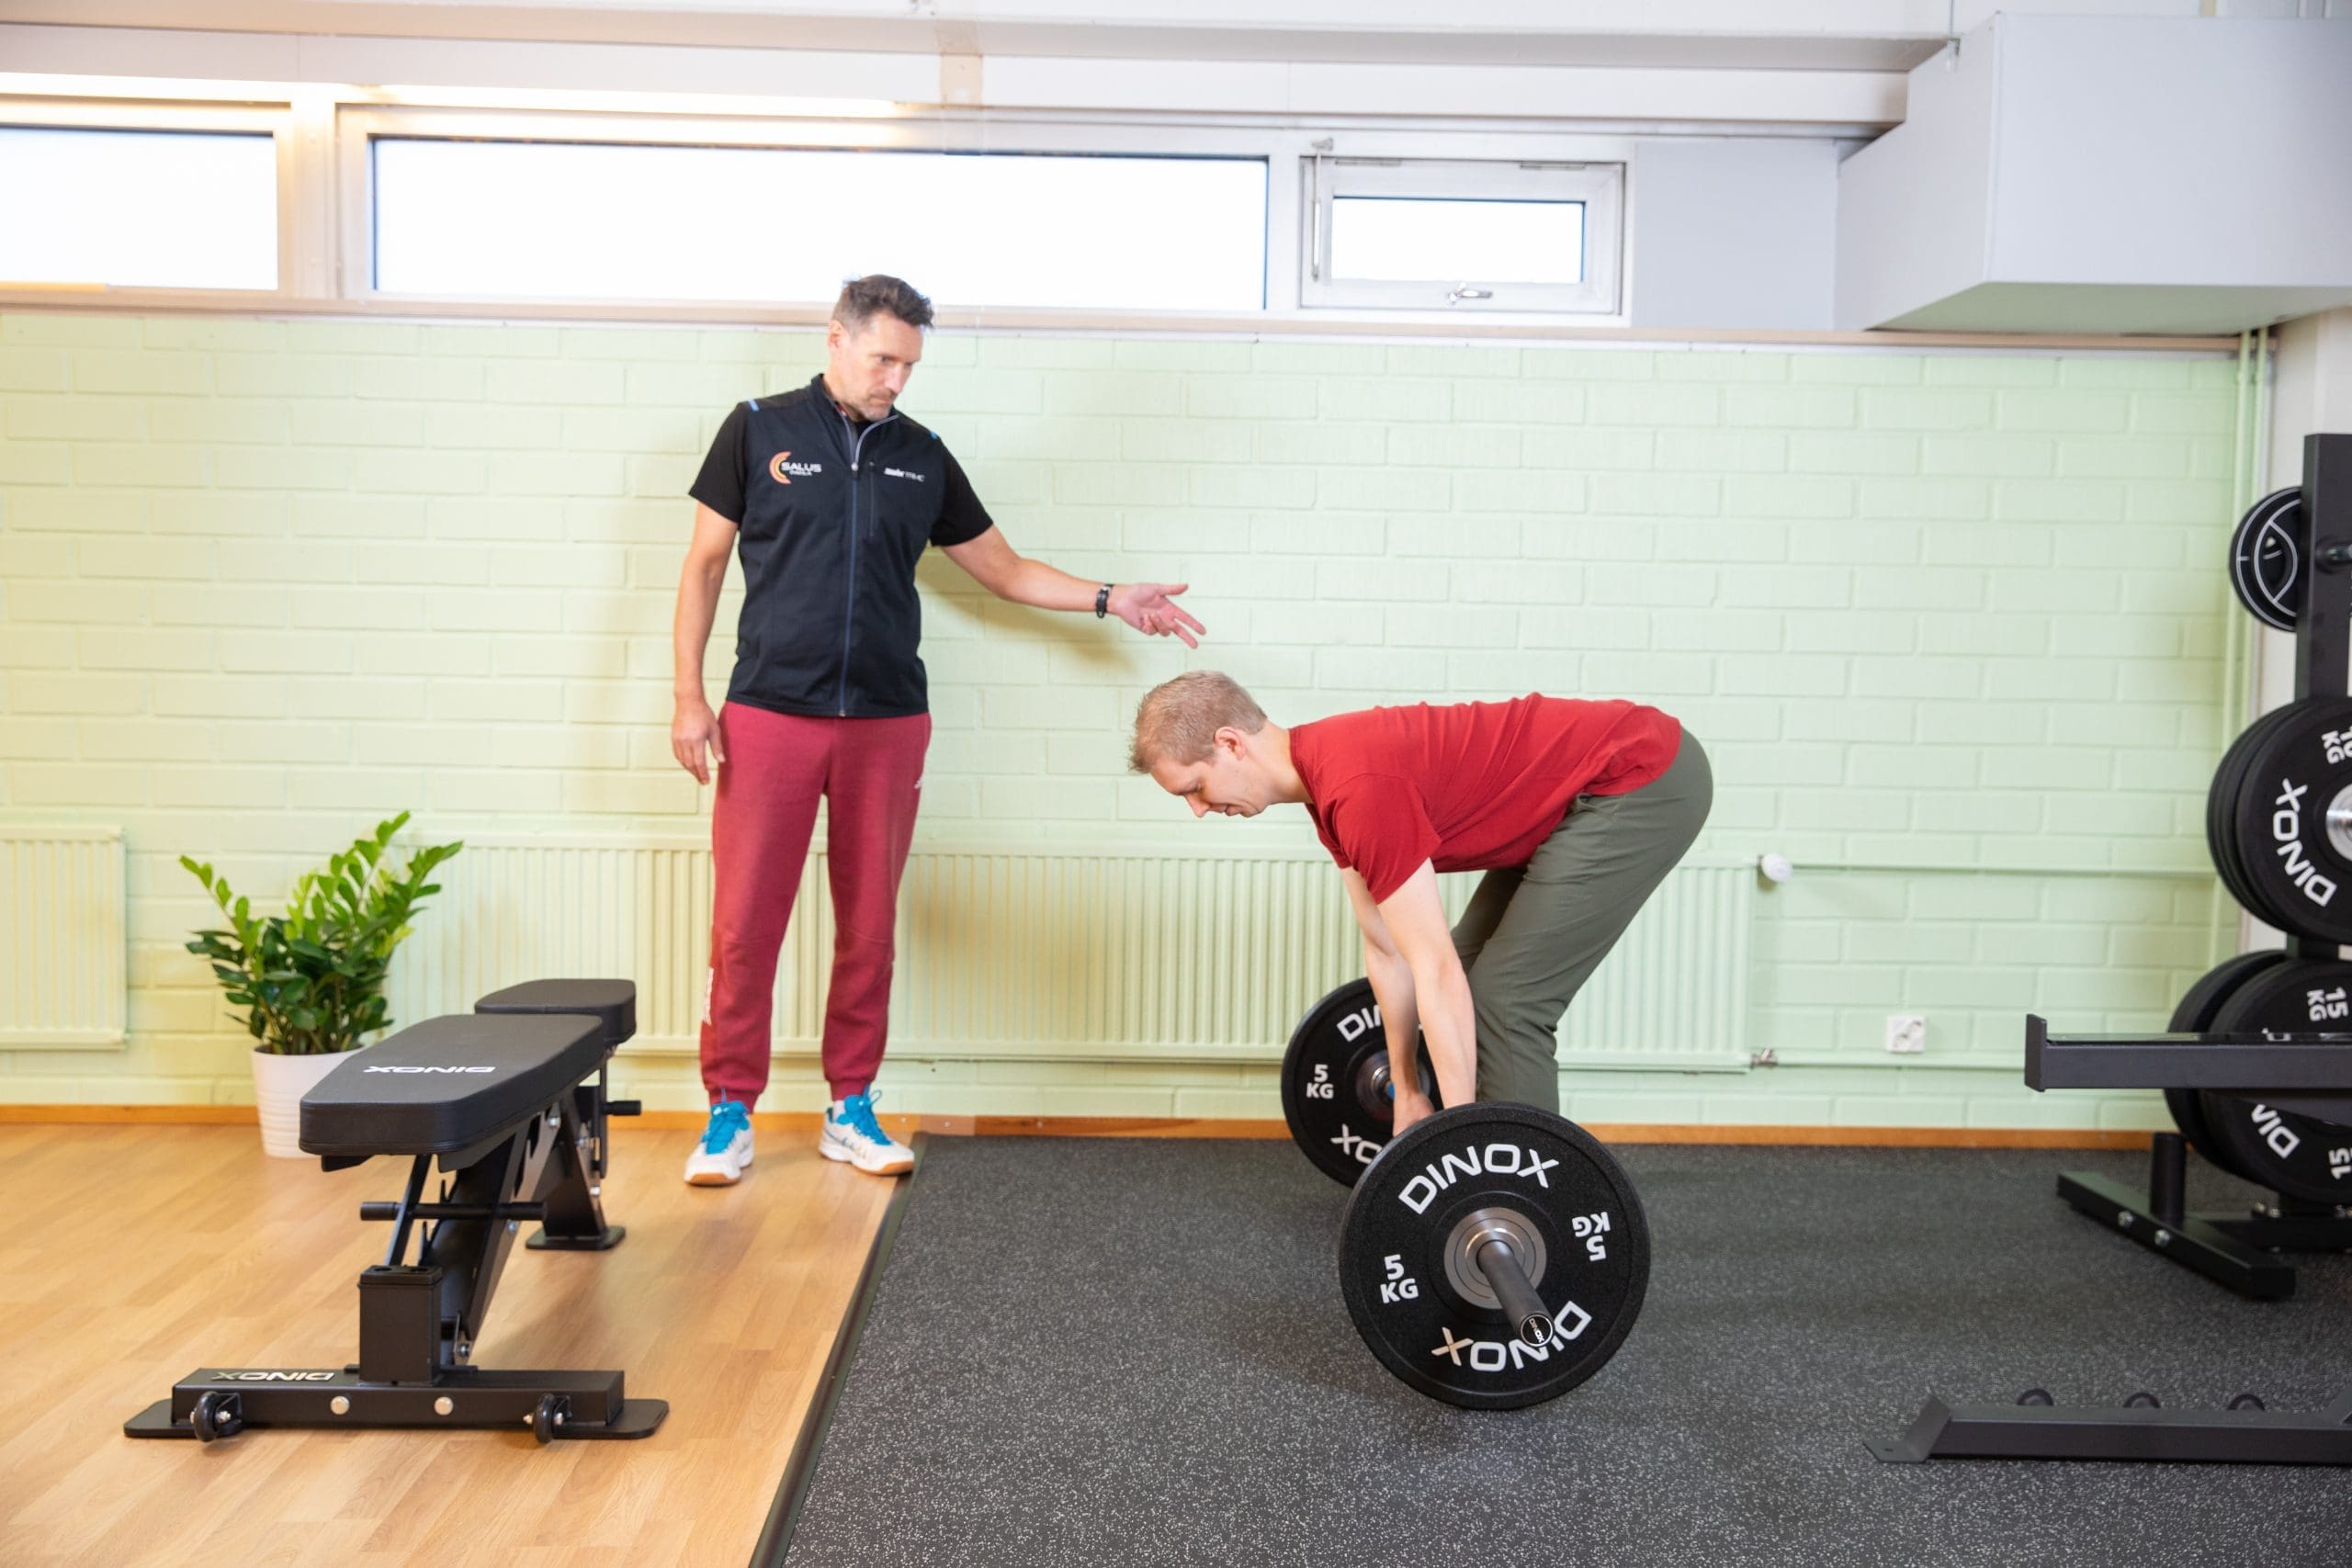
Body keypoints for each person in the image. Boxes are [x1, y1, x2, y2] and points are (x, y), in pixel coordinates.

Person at [672, 275, 1204, 1184]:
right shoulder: (756, 428)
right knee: (743, 923)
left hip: (886, 722)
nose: (895, 380)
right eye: (883, 358)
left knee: (869, 923)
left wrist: (1112, 598)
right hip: (769, 713)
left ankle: (850, 1105)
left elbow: (1002, 570)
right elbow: (704, 566)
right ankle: (729, 1112)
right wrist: (689, 697)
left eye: (909, 364)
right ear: (837, 339)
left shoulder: (921, 454)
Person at [1129, 672, 1707, 1128]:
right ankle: (1479, 1150)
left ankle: (1515, 1194)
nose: (1199, 810)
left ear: (1230, 744)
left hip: (1638, 778)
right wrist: (1405, 1089)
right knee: (1468, 967)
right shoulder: (1326, 782)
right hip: (1575, 800)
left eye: (1195, 789)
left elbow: (1432, 969)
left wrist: (1452, 1150)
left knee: (1504, 1001)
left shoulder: (1358, 790)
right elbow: (1386, 949)